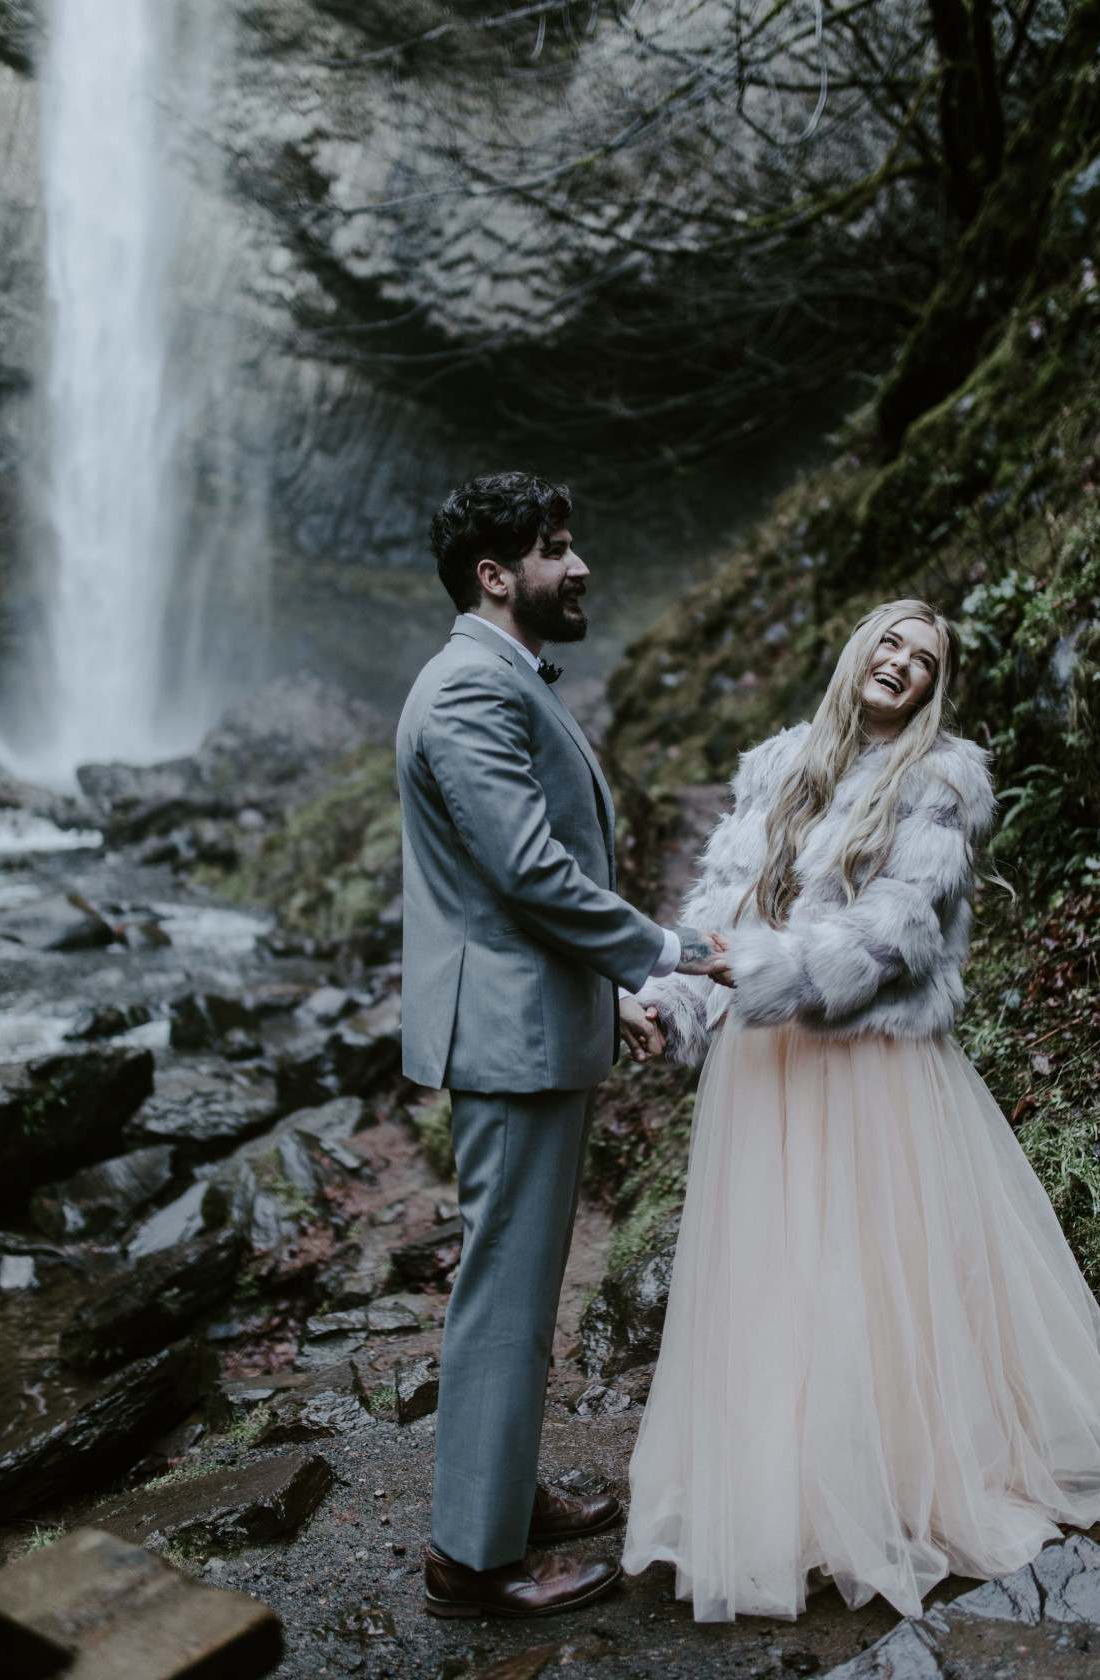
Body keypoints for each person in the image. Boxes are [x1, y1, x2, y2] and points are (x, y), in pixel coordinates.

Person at [621, 598, 1100, 1623]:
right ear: (858, 653)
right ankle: (787, 1494)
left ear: (935, 688)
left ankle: (896, 1484)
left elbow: (895, 936)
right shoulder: (775, 767)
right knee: (775, 1284)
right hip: (764, 1079)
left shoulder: (938, 783)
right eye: (890, 642)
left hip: (871, 1073)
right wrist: (667, 999)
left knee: (871, 1280)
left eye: (924, 659)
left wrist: (759, 969)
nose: (901, 663)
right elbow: (721, 908)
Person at [395, 471, 725, 1619]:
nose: (579, 566)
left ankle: (497, 1496)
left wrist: (606, 991)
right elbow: (531, 873)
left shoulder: (491, 678)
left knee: (521, 1286)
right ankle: (470, 1564)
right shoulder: (468, 694)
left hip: (525, 1020)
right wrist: (665, 952)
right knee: (504, 1290)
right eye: (556, 548)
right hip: (508, 1037)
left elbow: (524, 889)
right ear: (496, 575)